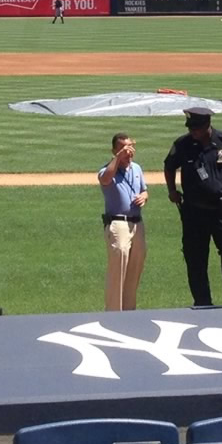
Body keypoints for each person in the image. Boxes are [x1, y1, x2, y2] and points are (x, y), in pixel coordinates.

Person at [163, 105, 222, 307]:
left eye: (196, 128)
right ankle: (203, 304)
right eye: (190, 128)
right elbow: (169, 166)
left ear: (207, 125)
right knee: (195, 260)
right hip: (194, 213)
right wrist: (172, 190)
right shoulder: (183, 144)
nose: (192, 131)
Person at [98, 133, 149, 311]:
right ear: (114, 151)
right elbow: (105, 179)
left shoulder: (136, 169)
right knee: (118, 269)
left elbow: (144, 190)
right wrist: (118, 158)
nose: (129, 152)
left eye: (130, 148)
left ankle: (129, 312)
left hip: (137, 224)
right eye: (124, 149)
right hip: (118, 224)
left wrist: (144, 196)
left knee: (135, 269)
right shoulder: (107, 170)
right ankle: (113, 312)